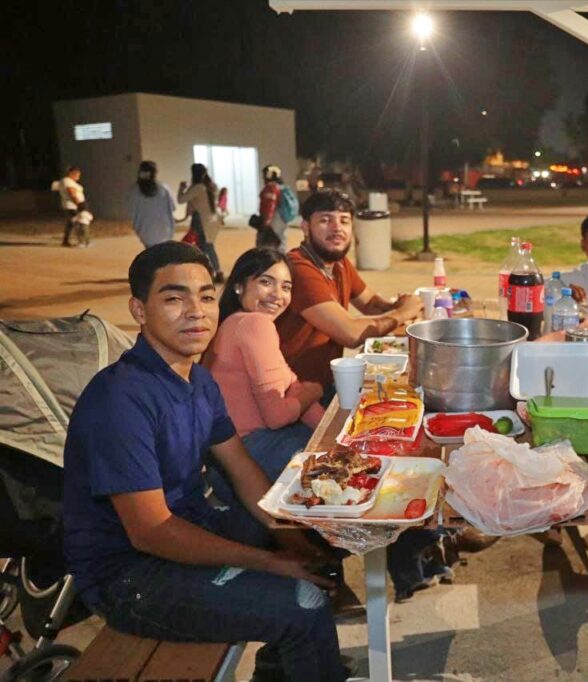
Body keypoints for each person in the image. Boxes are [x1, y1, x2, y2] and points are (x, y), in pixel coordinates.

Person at [62, 241, 349, 681]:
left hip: (191, 526)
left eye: (206, 296)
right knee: (304, 606)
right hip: (131, 576)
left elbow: (241, 469)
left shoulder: (197, 379)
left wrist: (289, 537)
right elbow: (151, 532)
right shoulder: (120, 399)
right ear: (139, 310)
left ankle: (290, 667)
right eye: (174, 298)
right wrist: (271, 562)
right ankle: (305, 654)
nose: (196, 311)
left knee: (323, 535)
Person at [203, 247, 325, 509]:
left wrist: (333, 437)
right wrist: (313, 393)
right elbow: (277, 415)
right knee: (344, 477)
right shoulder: (254, 325)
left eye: (286, 286)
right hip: (249, 458)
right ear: (238, 286)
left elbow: (293, 386)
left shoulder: (235, 322)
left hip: (229, 461)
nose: (277, 295)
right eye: (265, 282)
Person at [276, 189, 422, 391]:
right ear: (305, 227)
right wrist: (403, 312)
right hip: (296, 393)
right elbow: (350, 334)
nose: (337, 229)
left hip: (325, 381)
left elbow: (370, 304)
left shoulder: (338, 263)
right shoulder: (298, 268)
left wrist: (399, 305)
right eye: (325, 220)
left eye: (344, 221)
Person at [178, 163, 224, 283]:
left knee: (204, 247)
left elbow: (181, 199)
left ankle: (216, 272)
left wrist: (182, 188)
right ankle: (211, 271)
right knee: (205, 247)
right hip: (212, 221)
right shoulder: (212, 186)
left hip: (201, 221)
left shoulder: (198, 188)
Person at [127, 160, 176, 248]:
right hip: (165, 232)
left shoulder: (134, 190)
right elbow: (172, 207)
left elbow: (131, 212)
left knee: (151, 255)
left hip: (145, 232)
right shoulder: (164, 188)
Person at [257, 165, 289, 253]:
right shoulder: (280, 187)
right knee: (280, 241)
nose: (263, 176)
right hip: (280, 218)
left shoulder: (271, 188)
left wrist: (267, 220)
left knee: (268, 243)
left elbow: (270, 205)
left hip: (273, 219)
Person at [58, 166, 86, 247]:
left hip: (73, 205)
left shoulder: (70, 182)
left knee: (70, 223)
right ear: (71, 173)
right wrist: (79, 204)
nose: (78, 177)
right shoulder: (67, 181)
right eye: (77, 174)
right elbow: (72, 193)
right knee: (77, 222)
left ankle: (65, 241)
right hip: (72, 206)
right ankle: (81, 241)